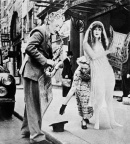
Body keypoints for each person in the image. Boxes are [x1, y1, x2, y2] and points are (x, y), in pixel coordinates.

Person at [20, 11, 65, 144]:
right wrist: (47, 61)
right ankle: (37, 137)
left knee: (31, 103)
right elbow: (29, 48)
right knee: (35, 104)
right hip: (32, 73)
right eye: (56, 26)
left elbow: (39, 51)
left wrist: (54, 61)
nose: (58, 29)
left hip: (36, 73)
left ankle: (26, 130)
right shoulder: (40, 31)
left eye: (60, 26)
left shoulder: (48, 34)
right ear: (49, 22)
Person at [83, 21, 122, 129]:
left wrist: (114, 52)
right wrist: (108, 51)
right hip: (97, 72)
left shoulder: (103, 42)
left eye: (99, 29)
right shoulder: (86, 43)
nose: (97, 31)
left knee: (109, 98)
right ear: (91, 31)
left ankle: (113, 121)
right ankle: (97, 122)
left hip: (107, 71)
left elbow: (106, 57)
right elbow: (94, 56)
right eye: (95, 29)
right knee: (99, 97)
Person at [59, 56, 93, 129]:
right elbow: (73, 88)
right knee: (84, 98)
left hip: (92, 88)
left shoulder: (94, 71)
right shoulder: (78, 72)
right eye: (82, 68)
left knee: (90, 104)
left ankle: (86, 117)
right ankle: (83, 119)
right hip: (81, 89)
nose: (83, 70)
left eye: (86, 68)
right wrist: (64, 105)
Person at [121, 39, 130, 104]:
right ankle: (124, 96)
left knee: (127, 84)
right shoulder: (127, 52)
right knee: (124, 84)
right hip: (124, 70)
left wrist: (129, 72)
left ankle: (126, 97)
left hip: (127, 71)